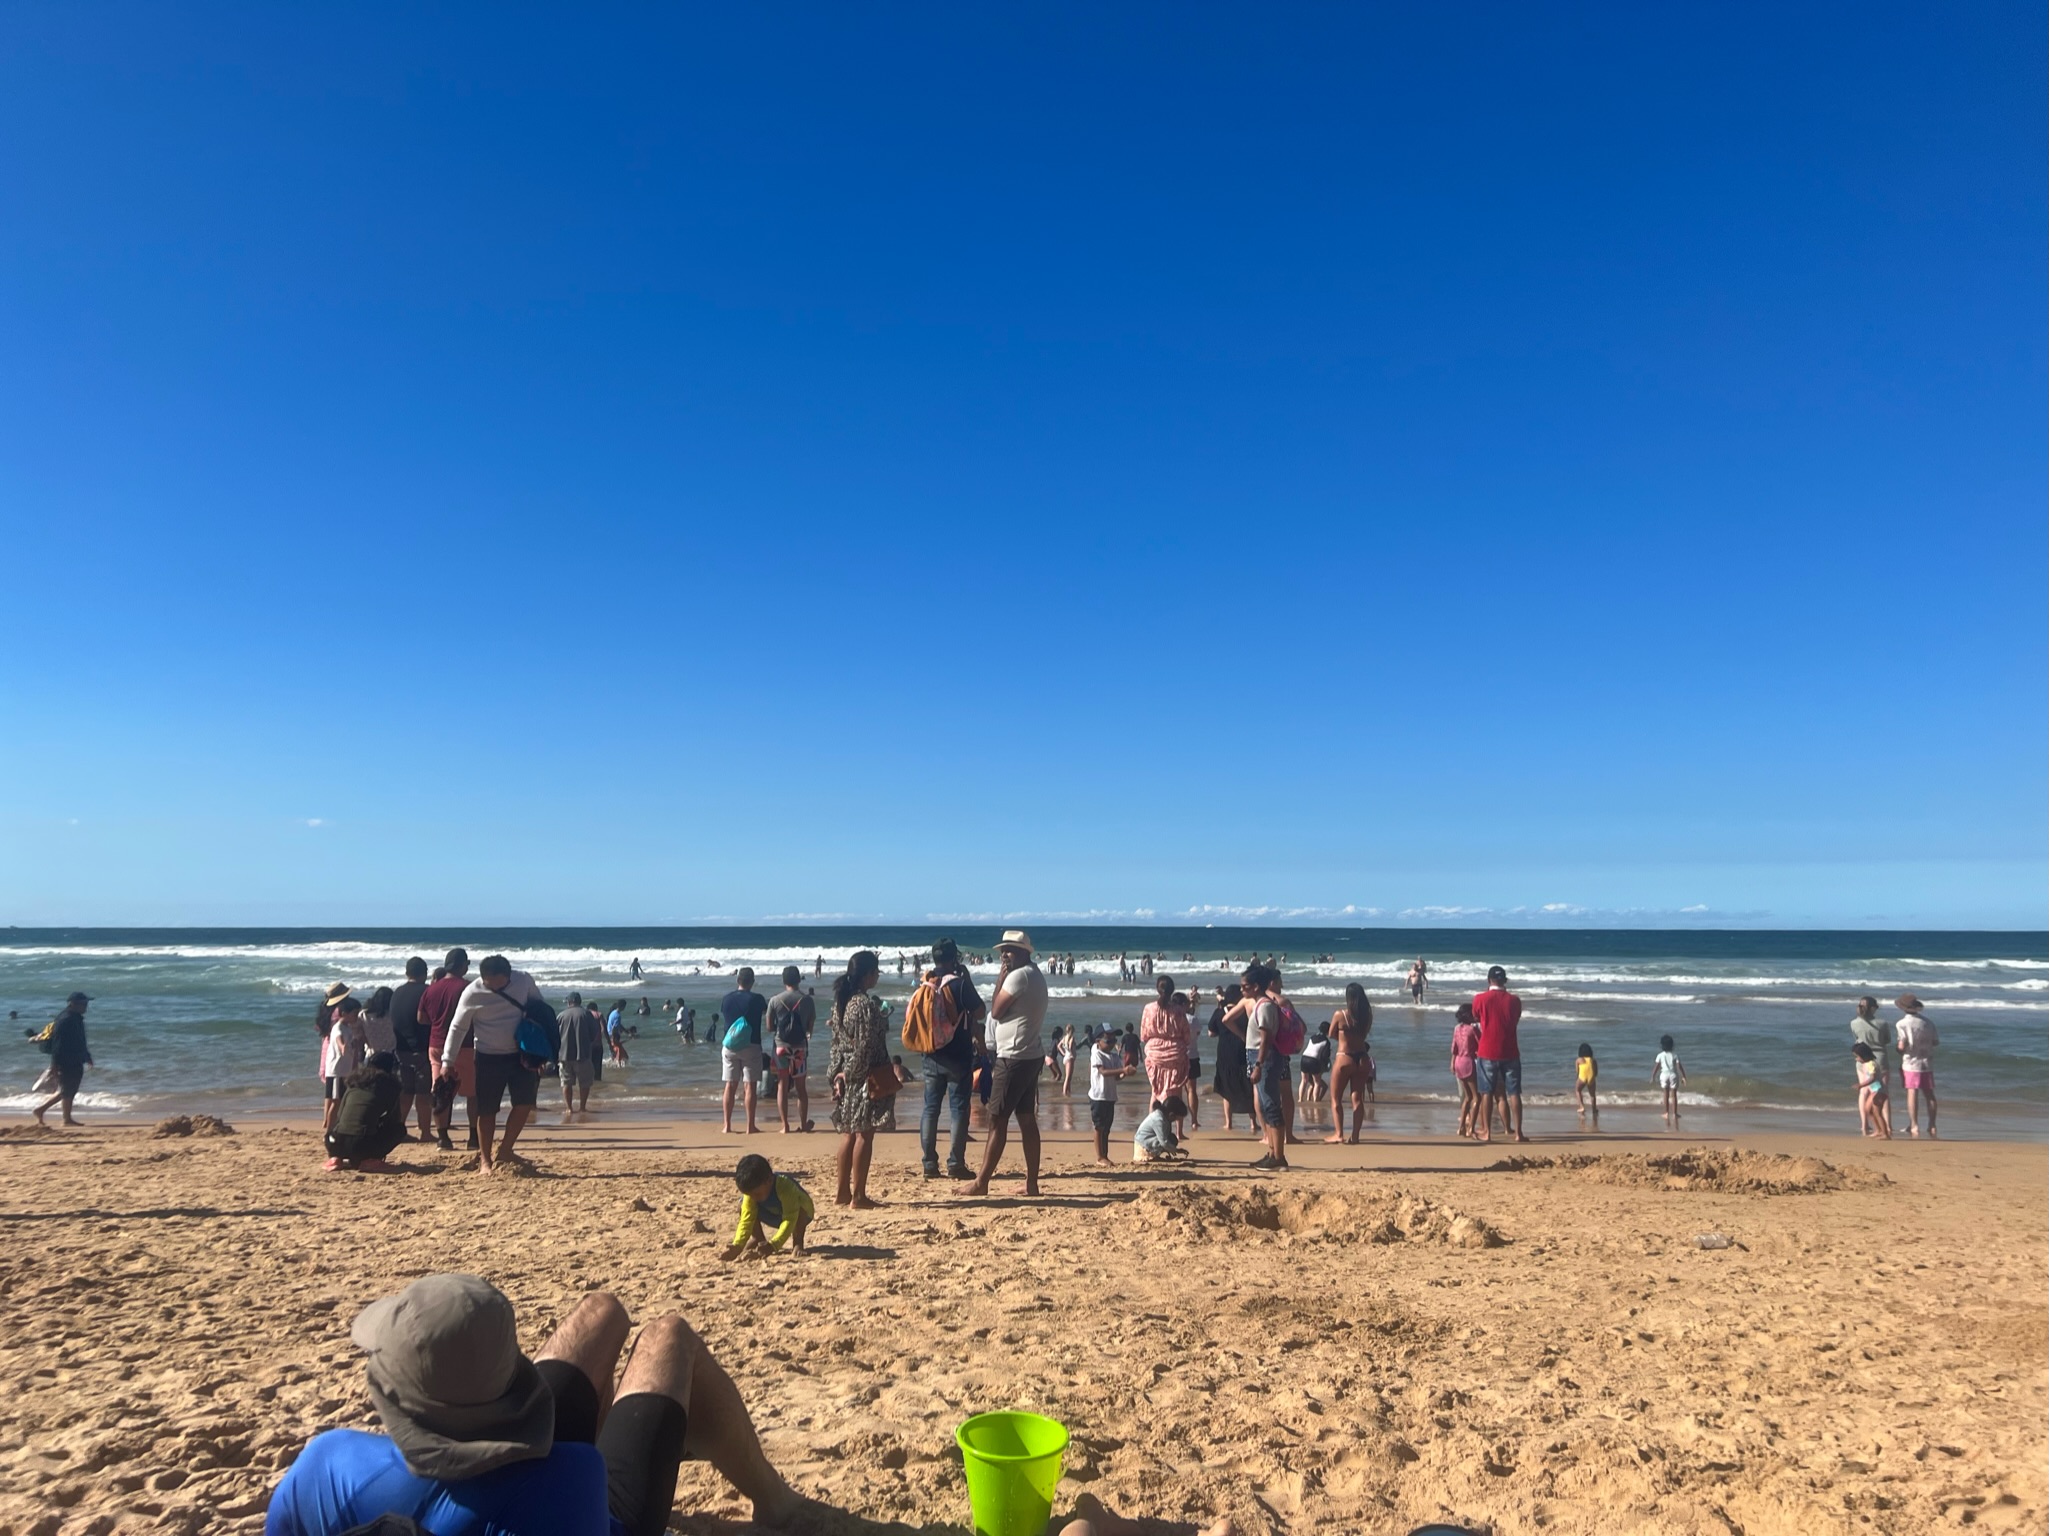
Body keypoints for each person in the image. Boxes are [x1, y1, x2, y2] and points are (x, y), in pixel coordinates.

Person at [262, 1272, 814, 1536]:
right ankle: (776, 1503)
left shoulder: (326, 1465)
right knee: (669, 1337)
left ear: (389, 1389)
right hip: (584, 1511)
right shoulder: (570, 1477)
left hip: (495, 1473)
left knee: (601, 1311)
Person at [957, 930, 1048, 1198]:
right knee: (1026, 1119)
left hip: (1014, 1057)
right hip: (1029, 1053)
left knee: (997, 1120)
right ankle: (1031, 1184)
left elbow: (995, 1011)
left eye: (1009, 950)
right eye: (1002, 950)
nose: (1004, 955)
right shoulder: (1034, 974)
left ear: (1023, 952)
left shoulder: (1018, 977)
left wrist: (1000, 977)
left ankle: (981, 1182)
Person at [443, 955, 550, 1175]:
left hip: (522, 1055)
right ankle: (485, 1160)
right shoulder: (472, 992)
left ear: (508, 976)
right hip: (488, 1056)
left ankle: (505, 1150)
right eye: (490, 984)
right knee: (487, 1110)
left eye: (500, 984)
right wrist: (447, 1061)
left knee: (524, 1104)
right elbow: (458, 1028)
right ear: (482, 977)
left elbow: (539, 1011)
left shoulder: (523, 980)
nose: (495, 988)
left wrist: (542, 1053)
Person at [912, 938, 987, 1182]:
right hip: (958, 1056)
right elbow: (980, 1011)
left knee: (930, 1109)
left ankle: (929, 1164)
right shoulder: (960, 984)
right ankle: (955, 1164)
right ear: (954, 958)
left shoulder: (926, 983)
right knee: (958, 1109)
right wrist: (968, 980)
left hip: (931, 1053)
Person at [826, 950, 890, 1208]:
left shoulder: (841, 1002)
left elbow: (837, 1044)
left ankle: (843, 1192)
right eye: (876, 972)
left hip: (847, 1073)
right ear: (867, 975)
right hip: (863, 1075)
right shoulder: (863, 1004)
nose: (877, 976)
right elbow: (864, 1047)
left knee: (849, 1134)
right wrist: (852, 1074)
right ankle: (859, 1196)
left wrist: (836, 1074)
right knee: (864, 1134)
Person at [419, 948, 473, 1152]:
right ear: (462, 965)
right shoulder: (467, 988)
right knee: (472, 1093)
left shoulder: (431, 989)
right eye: (467, 963)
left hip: (436, 1043)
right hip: (464, 1044)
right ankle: (474, 1137)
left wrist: (438, 1021)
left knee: (440, 1091)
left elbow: (421, 1018)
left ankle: (443, 1137)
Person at [325, 1051, 409, 1171]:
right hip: (362, 1145)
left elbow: (340, 1115)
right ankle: (371, 1159)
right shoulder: (390, 1086)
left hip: (334, 1142)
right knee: (399, 1130)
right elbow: (393, 1119)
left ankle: (336, 1158)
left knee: (341, 1128)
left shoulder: (353, 1083)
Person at [722, 1153, 814, 1260]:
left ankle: (798, 1243)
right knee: (742, 1206)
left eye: (756, 1194)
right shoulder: (752, 1193)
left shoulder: (785, 1186)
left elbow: (790, 1218)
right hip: (773, 1215)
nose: (753, 1198)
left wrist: (773, 1245)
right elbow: (747, 1219)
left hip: (799, 1216)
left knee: (800, 1209)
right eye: (749, 1195)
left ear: (769, 1180)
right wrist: (738, 1245)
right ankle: (758, 1239)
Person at [1471, 966, 1525, 1144]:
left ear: (1489, 981)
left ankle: (1487, 1132)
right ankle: (1518, 1132)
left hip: (1487, 1050)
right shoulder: (1514, 1001)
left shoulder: (1480, 999)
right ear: (1505, 981)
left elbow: (1476, 1016)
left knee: (1486, 1092)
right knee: (1514, 1092)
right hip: (1510, 1050)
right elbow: (1516, 1019)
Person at [1242, 965, 1289, 1171]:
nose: (1242, 989)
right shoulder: (1260, 1005)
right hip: (1258, 1056)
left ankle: (1279, 1157)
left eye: (1245, 986)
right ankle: (1272, 1152)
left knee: (1271, 1106)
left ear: (1256, 986)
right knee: (1264, 1105)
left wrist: (1259, 1065)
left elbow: (1266, 1039)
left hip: (1265, 1058)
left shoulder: (1265, 1006)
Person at [1139, 977, 1194, 1139]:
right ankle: (1178, 1132)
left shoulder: (1149, 1008)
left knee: (1155, 1092)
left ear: (1158, 989)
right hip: (1175, 1055)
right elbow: (1186, 1036)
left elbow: (1144, 1035)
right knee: (1175, 1094)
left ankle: (1153, 1130)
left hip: (1154, 1055)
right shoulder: (1179, 1011)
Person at [29, 991, 93, 1127]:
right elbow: (57, 1045)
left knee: (69, 1089)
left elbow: (80, 1040)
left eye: (86, 1003)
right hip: (66, 1060)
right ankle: (54, 1115)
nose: (85, 1006)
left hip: (75, 1058)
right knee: (67, 1089)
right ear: (73, 1004)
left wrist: (87, 1056)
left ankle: (58, 1115)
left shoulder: (75, 1018)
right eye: (83, 1004)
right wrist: (54, 1064)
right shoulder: (65, 1020)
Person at [390, 956, 434, 1142]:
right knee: (423, 1093)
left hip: (400, 1049)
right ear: (425, 973)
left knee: (406, 1092)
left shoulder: (397, 993)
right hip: (421, 1048)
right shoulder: (427, 992)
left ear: (407, 973)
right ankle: (425, 1132)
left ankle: (398, 1130)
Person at [718, 969, 768, 1135]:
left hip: (730, 1045)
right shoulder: (757, 999)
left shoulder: (727, 998)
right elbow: (765, 1012)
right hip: (751, 1044)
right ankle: (750, 1126)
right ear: (752, 982)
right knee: (750, 1086)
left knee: (730, 1085)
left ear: (737, 980)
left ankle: (727, 1125)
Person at [767, 968, 816, 1134]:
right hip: (799, 1048)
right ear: (799, 980)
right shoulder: (807, 1000)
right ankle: (803, 1124)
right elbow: (810, 1026)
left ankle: (785, 1125)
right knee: (801, 1087)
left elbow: (769, 1027)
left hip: (780, 1046)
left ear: (783, 981)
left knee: (782, 1084)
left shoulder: (775, 1000)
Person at [1326, 984, 1373, 1145]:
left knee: (1335, 1098)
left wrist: (1342, 1037)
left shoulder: (1340, 1015)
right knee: (1357, 1098)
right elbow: (1364, 1034)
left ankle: (1339, 1134)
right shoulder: (1367, 1016)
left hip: (1344, 1056)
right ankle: (1355, 1136)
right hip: (1362, 1058)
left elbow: (1331, 1033)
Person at [1207, 983, 1253, 1131]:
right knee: (1248, 1086)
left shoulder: (1219, 1012)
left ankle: (1229, 1123)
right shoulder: (1245, 1011)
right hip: (1243, 1050)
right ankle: (1253, 1123)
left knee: (1226, 1088)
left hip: (1225, 1053)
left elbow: (1211, 1033)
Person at [1895, 992, 1939, 1139]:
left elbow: (1902, 1045)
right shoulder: (1928, 1022)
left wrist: (1898, 1049)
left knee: (1912, 1092)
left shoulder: (1902, 1024)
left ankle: (1914, 1125)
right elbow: (1935, 1042)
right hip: (1927, 1062)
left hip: (1911, 1062)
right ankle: (1932, 1125)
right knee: (1929, 1094)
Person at [322, 995, 369, 1133]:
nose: (357, 1017)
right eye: (355, 1013)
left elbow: (352, 1046)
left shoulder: (348, 1027)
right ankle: (329, 1130)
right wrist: (342, 1046)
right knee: (336, 1101)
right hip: (337, 1071)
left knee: (342, 1100)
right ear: (344, 1014)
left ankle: (335, 1127)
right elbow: (339, 1039)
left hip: (344, 1070)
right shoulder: (338, 1028)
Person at [1088, 1025, 1133, 1165]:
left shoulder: (1114, 1057)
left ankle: (1105, 1155)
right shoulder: (1096, 1054)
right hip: (1098, 1097)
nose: (1112, 1043)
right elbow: (1103, 1072)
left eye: (1114, 1040)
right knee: (1099, 1127)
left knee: (1106, 1128)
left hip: (1110, 1096)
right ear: (1098, 1041)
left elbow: (1117, 1077)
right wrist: (1122, 1070)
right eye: (1108, 1041)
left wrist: (1126, 1073)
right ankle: (1099, 1157)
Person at [558, 991, 605, 1116]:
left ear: (569, 1002)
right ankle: (582, 1107)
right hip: (583, 1053)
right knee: (585, 1082)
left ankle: (569, 1108)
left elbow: (555, 1035)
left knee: (566, 1082)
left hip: (564, 1054)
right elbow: (594, 1032)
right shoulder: (586, 1014)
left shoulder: (561, 1015)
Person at [1849, 995, 1895, 1100]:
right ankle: (1882, 1111)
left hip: (1862, 1059)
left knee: (1864, 1091)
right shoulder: (1882, 1023)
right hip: (1879, 1058)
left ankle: (1864, 1111)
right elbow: (1887, 1040)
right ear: (1873, 1009)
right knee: (1881, 1090)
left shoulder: (1853, 1023)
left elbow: (1857, 1039)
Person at [1450, 1002, 1481, 1138]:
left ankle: (1461, 1127)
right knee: (1476, 1097)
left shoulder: (1457, 1029)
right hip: (1468, 1062)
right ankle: (1471, 1128)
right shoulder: (1472, 1030)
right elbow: (1481, 1044)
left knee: (1467, 1097)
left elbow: (1454, 1048)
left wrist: (1452, 1062)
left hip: (1458, 1062)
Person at [1854, 1041, 1893, 1139]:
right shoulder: (1866, 1064)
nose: (1856, 1059)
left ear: (1864, 1055)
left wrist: (1861, 1085)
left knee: (1877, 1112)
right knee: (1868, 1110)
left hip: (1880, 1090)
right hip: (1874, 1091)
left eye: (1857, 1056)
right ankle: (1878, 1130)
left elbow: (1873, 1077)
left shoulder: (1871, 1064)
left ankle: (1885, 1134)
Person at [1133, 1096, 1188, 1162]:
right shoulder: (1158, 1120)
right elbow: (1164, 1142)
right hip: (1142, 1147)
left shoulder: (1164, 1117)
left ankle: (1154, 1154)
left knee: (1172, 1138)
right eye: (1176, 1119)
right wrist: (1176, 1150)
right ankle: (1149, 1155)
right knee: (1169, 1141)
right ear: (1171, 1115)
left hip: (1147, 1142)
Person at [1653, 1034, 1686, 1127]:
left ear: (1662, 1045)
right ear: (1672, 1045)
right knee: (1674, 1095)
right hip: (1673, 1074)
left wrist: (1653, 1076)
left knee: (1666, 1094)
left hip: (1664, 1075)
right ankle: (1675, 1113)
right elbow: (1679, 1066)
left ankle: (1666, 1113)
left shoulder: (1660, 1055)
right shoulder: (1675, 1055)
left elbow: (1656, 1067)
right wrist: (1683, 1076)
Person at [1298, 1023, 1331, 1104]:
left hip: (1304, 1058)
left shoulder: (1312, 1037)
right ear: (1328, 1031)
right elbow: (1325, 1056)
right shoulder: (1326, 1041)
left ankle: (1300, 1099)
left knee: (1304, 1080)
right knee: (1317, 1082)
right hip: (1314, 1060)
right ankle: (1315, 1101)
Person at [1573, 1042, 1599, 1124]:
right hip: (1591, 1077)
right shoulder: (1593, 1060)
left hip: (1582, 1077)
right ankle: (1594, 1109)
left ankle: (1581, 1107)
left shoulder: (1579, 1060)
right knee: (1592, 1095)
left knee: (1577, 1090)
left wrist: (1578, 1078)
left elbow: (1577, 1071)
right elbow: (1596, 1072)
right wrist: (1593, 1077)